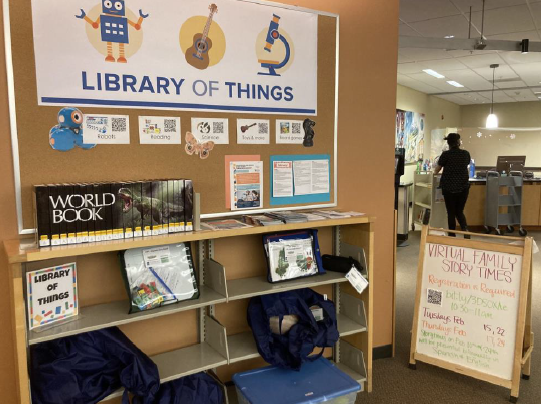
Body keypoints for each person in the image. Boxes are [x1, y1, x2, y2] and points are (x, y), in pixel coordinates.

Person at [434, 133, 471, 238]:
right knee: (459, 211)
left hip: (449, 187)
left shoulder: (446, 155)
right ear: (458, 142)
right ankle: (465, 230)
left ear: (448, 143)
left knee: (450, 212)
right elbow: (465, 165)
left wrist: (435, 172)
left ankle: (452, 234)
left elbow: (437, 170)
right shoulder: (465, 154)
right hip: (463, 187)